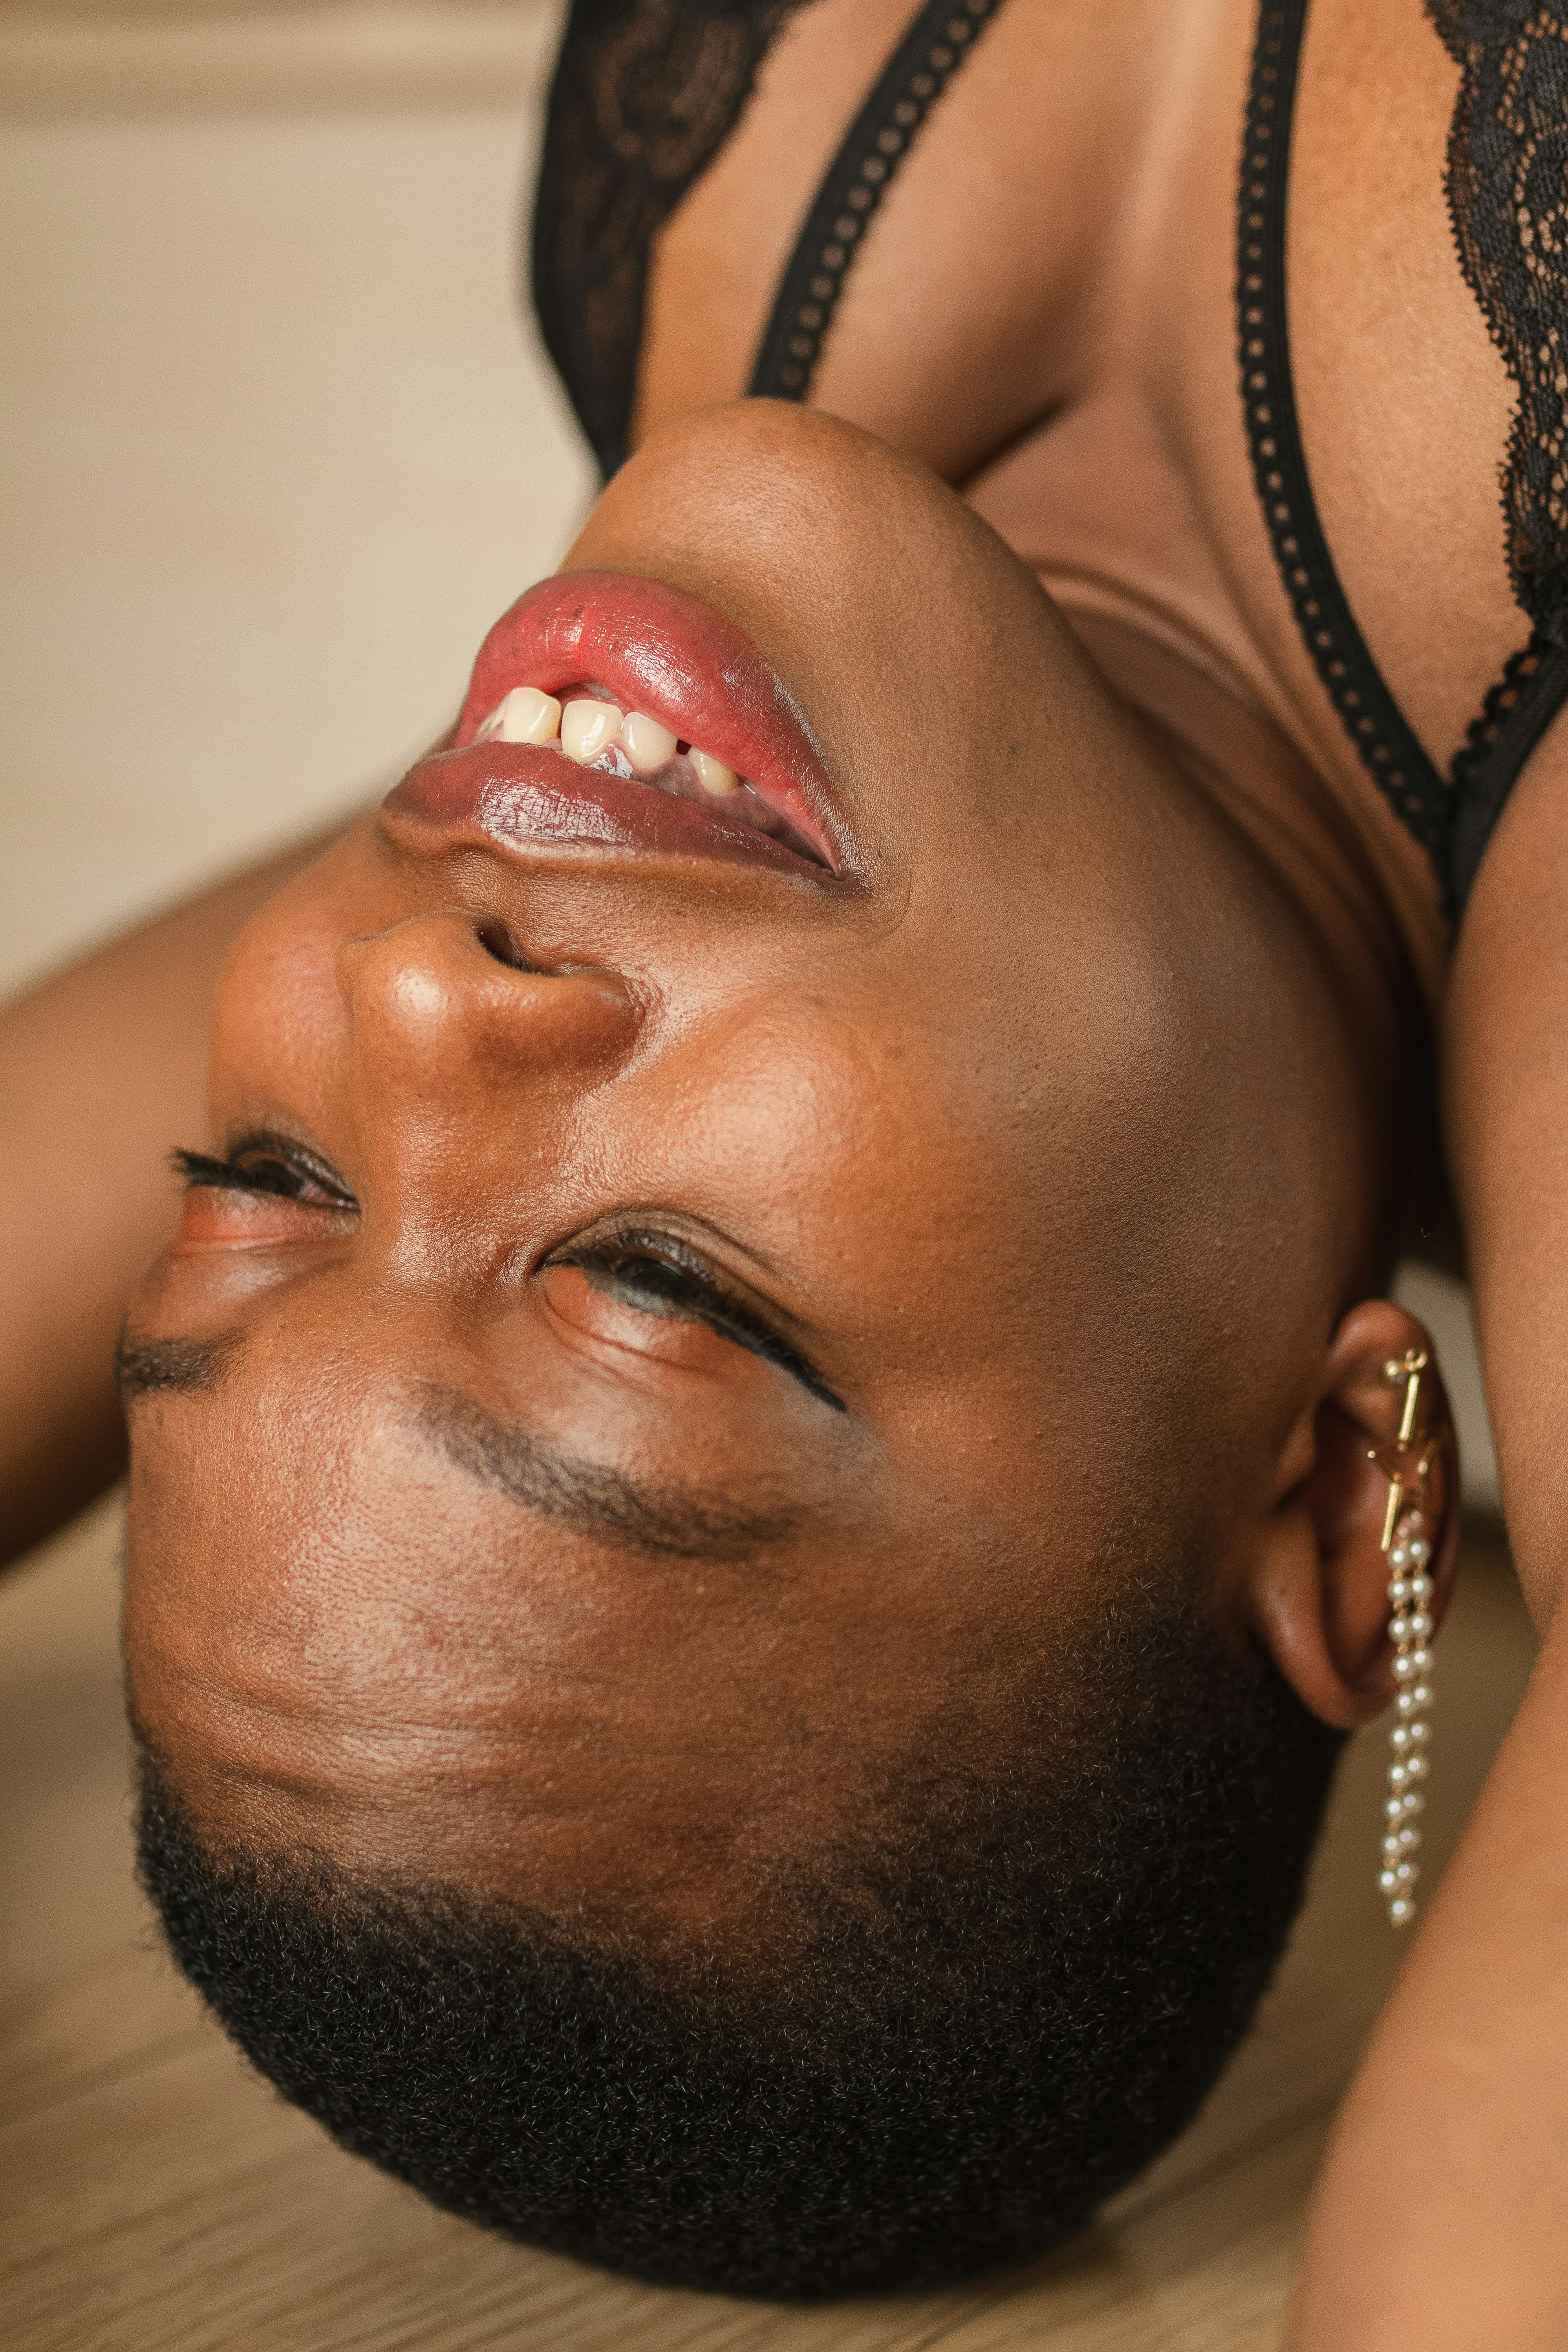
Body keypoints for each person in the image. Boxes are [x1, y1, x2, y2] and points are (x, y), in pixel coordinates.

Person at [1, 0, 1565, 2340]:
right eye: (662, 1292)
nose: (425, 1007)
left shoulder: (721, 670)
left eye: (271, 1177)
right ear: (1359, 1488)